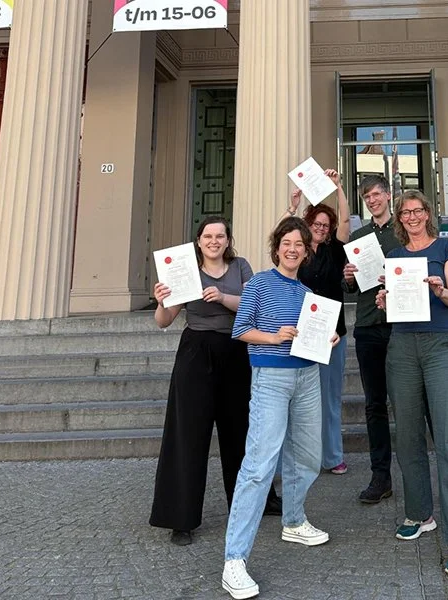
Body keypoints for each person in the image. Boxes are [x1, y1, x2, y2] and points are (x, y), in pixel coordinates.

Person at [222, 217, 339, 600]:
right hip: (271, 377)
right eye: (286, 243)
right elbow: (241, 330)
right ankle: (234, 559)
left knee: (307, 456)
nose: (292, 249)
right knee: (259, 466)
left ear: (306, 252)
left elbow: (312, 336)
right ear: (277, 248)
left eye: (299, 245)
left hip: (307, 376)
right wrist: (274, 337)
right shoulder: (258, 283)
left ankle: (293, 520)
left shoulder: (307, 292)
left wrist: (328, 338)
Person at [149, 217, 281, 547]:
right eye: (208, 236)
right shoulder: (186, 270)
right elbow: (165, 321)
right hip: (196, 353)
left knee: (241, 431)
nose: (214, 241)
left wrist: (222, 297)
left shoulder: (240, 267)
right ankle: (180, 519)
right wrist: (162, 301)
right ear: (199, 241)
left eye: (220, 236)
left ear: (227, 240)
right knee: (188, 435)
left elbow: (253, 306)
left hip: (236, 351)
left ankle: (255, 502)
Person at [375, 190, 448, 577]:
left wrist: (439, 289)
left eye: (418, 210)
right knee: (407, 435)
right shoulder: (394, 256)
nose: (412, 217)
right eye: (406, 212)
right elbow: (393, 301)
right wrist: (385, 301)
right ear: (400, 218)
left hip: (440, 345)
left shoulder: (446, 248)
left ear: (427, 214)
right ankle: (420, 513)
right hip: (402, 345)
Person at [286, 169, 350, 475]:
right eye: (317, 224)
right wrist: (292, 207)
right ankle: (298, 458)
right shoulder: (295, 251)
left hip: (332, 333)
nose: (322, 229)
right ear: (307, 224)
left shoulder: (334, 250)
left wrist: (338, 188)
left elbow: (346, 222)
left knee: (330, 398)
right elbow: (279, 237)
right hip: (299, 332)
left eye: (326, 225)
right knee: (296, 398)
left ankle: (332, 456)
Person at [342, 175, 402, 503]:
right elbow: (350, 288)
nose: (373, 200)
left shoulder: (403, 232)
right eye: (367, 196)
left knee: (408, 401)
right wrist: (348, 277)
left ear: (388, 195)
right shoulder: (358, 237)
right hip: (367, 325)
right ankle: (381, 476)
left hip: (400, 325)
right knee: (374, 404)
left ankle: (415, 472)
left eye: (377, 194)